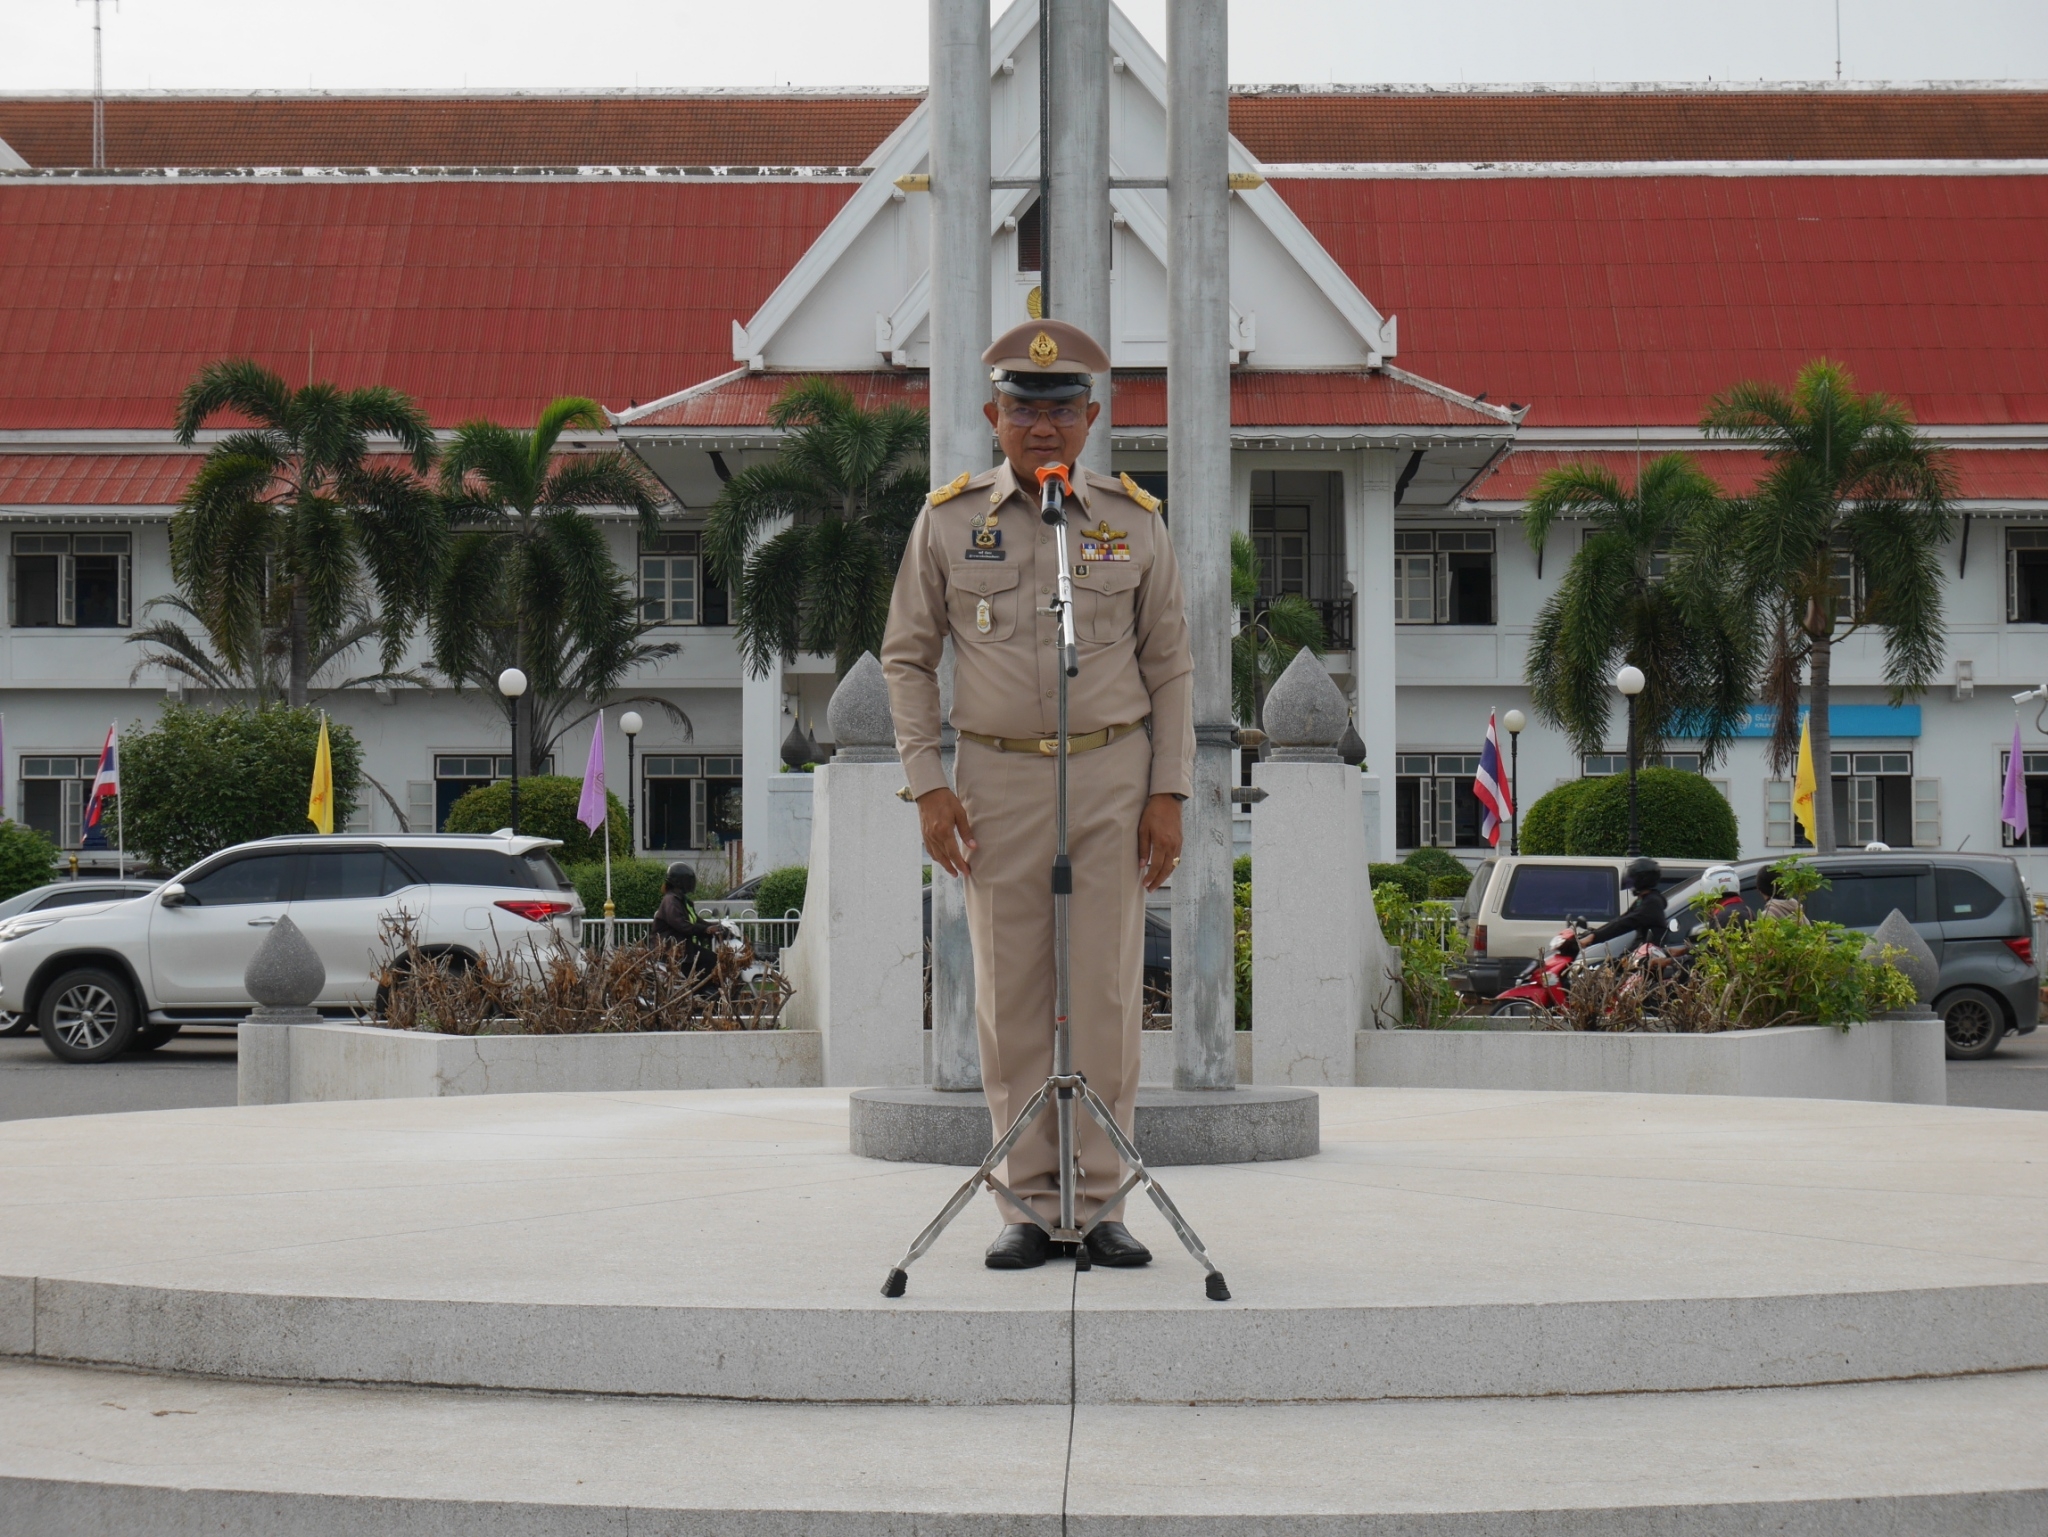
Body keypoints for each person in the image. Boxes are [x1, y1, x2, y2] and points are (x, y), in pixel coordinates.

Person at [881, 318, 1192, 1272]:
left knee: (1103, 990)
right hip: (997, 778)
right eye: (1024, 408)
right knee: (1011, 991)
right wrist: (928, 785)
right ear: (994, 416)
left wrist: (1169, 790)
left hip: (1110, 776)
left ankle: (1098, 1203)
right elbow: (907, 657)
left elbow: (1171, 665)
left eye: (1061, 407)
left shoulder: (1133, 521)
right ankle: (1025, 1201)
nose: (1043, 424)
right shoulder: (947, 522)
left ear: (1091, 417)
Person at [1565, 856, 1669, 957]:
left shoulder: (1652, 903)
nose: (1631, 883)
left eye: (1632, 879)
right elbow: (1620, 919)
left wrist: (1594, 937)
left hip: (1648, 957)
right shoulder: (1643, 900)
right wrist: (1591, 933)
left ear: (1642, 880)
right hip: (1639, 952)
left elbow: (1624, 924)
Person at [650, 862, 720, 976]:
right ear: (680, 882)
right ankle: (697, 986)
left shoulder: (681, 900)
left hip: (683, 946)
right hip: (672, 949)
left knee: (711, 958)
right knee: (711, 960)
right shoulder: (671, 901)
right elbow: (682, 925)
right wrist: (706, 930)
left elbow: (696, 920)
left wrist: (715, 926)